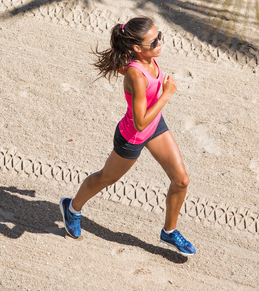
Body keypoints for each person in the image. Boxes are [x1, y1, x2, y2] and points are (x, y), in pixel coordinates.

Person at [60, 18, 196, 255]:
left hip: (156, 127)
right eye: (154, 41)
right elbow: (140, 121)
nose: (160, 43)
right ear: (137, 48)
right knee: (105, 178)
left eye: (159, 35)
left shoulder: (147, 59)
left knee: (181, 180)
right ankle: (72, 208)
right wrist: (167, 94)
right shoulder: (137, 74)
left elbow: (124, 68)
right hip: (132, 135)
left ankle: (169, 232)